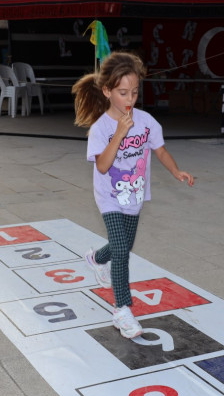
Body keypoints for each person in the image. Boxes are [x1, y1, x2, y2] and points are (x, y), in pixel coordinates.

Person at [72, 52, 195, 339]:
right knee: (122, 252)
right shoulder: (101, 128)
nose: (130, 99)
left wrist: (176, 171)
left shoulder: (146, 121)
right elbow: (103, 166)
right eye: (123, 93)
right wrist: (119, 133)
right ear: (107, 91)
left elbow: (160, 150)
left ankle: (96, 259)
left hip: (135, 195)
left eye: (135, 92)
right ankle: (122, 310)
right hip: (109, 197)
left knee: (122, 247)